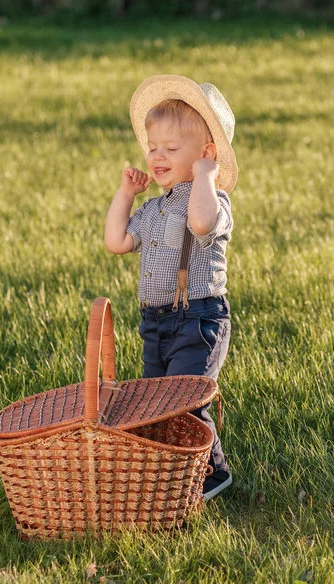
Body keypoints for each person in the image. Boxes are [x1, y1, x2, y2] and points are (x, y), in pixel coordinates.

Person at [104, 75, 238, 500]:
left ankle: (213, 473)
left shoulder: (212, 202)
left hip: (198, 320)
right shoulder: (153, 207)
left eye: (171, 149)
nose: (157, 156)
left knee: (186, 399)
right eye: (153, 147)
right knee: (156, 405)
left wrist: (204, 177)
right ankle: (171, 471)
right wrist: (126, 195)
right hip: (156, 324)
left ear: (206, 155)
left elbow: (199, 223)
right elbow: (117, 241)